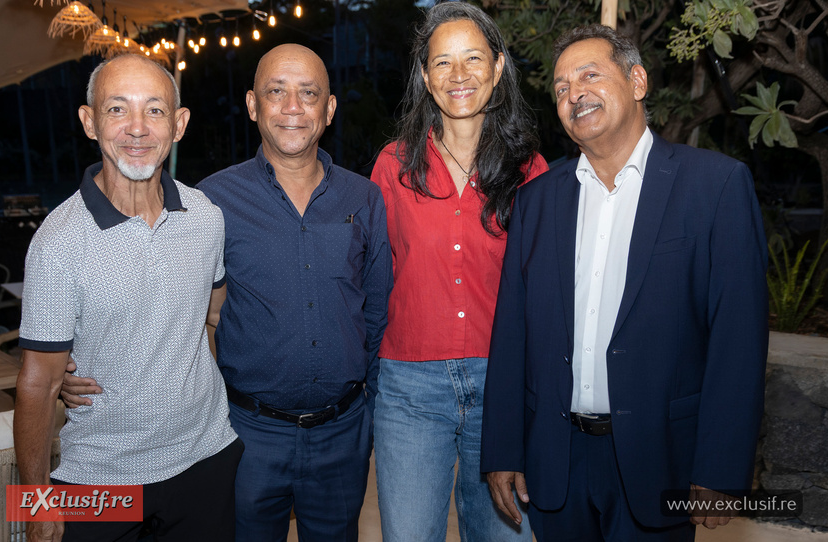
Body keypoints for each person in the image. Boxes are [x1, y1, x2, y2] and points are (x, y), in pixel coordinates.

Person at [64, 44, 392, 541]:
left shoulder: (364, 197)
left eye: (308, 94)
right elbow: (159, 300)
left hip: (341, 433)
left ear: (328, 110)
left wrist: (366, 411)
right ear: (252, 105)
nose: (291, 107)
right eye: (275, 92)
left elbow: (376, 312)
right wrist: (68, 366)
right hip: (245, 433)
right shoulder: (211, 202)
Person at [481, 24, 769, 542]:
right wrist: (503, 448)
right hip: (557, 460)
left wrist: (720, 469)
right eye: (562, 88)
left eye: (591, 75)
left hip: (661, 458)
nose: (575, 94)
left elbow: (738, 340)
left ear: (637, 81)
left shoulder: (716, 186)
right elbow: (512, 335)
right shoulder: (537, 201)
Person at [15, 54, 241, 542]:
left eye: (155, 110)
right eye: (117, 109)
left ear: (178, 125)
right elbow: (37, 384)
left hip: (206, 459)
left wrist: (194, 396)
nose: (137, 129)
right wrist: (35, 505)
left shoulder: (205, 216)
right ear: (89, 121)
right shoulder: (57, 243)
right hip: (99, 477)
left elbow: (212, 318)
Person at [369, 3, 548, 540]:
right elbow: (373, 276)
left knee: (506, 534)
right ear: (425, 77)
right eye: (442, 63)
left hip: (505, 385)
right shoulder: (392, 166)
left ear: (497, 68)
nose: (459, 75)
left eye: (473, 58)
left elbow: (543, 291)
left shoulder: (529, 170)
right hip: (409, 388)